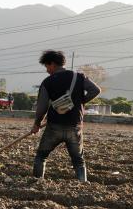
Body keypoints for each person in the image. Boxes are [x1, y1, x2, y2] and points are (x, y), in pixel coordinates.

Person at [30, 50, 101, 182]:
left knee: (41, 156)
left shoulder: (48, 82)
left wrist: (37, 124)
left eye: (47, 66)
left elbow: (42, 108)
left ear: (52, 64)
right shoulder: (79, 77)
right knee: (78, 161)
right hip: (75, 126)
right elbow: (95, 90)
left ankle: (37, 182)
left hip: (54, 126)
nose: (47, 70)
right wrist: (80, 101)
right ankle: (83, 185)